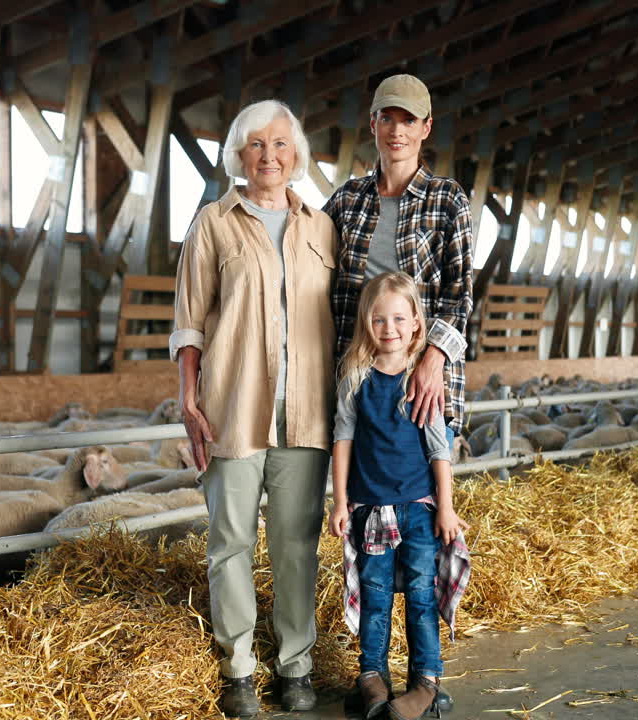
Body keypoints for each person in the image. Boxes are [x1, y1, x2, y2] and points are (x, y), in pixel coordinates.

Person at [170, 99, 337, 718]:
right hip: (233, 408)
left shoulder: (321, 228)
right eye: (256, 145)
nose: (269, 156)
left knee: (296, 543)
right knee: (231, 541)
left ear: (297, 156)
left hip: (306, 413)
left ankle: (296, 664)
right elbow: (189, 322)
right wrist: (188, 398)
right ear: (238, 155)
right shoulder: (213, 224)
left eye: (280, 145)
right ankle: (237, 664)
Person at [328, 272, 471, 720]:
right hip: (370, 509)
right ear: (366, 324)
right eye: (378, 319)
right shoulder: (355, 376)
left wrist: (445, 508)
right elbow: (343, 439)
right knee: (375, 597)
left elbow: (439, 449)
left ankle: (425, 681)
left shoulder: (421, 380)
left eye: (398, 318)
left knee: (421, 596)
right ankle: (372, 676)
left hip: (417, 510)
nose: (388, 328)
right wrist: (339, 500)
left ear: (415, 324)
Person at [323, 74, 475, 445]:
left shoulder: (447, 199)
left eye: (408, 120)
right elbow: (308, 264)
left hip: (421, 380)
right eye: (387, 118)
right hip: (358, 378)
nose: (397, 131)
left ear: (426, 128)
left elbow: (459, 295)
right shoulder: (348, 199)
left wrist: (433, 360)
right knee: (361, 497)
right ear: (373, 123)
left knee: (421, 497)